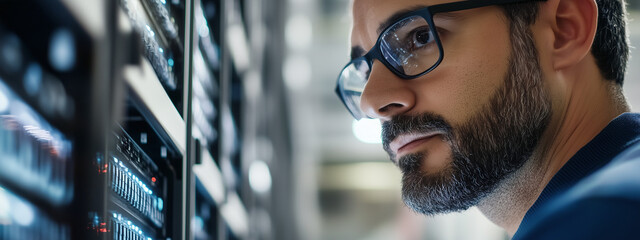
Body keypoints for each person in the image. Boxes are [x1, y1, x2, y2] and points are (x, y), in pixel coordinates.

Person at [334, 0, 639, 238]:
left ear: (564, 29)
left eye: (419, 38)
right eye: (365, 72)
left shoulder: (610, 215)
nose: (371, 101)